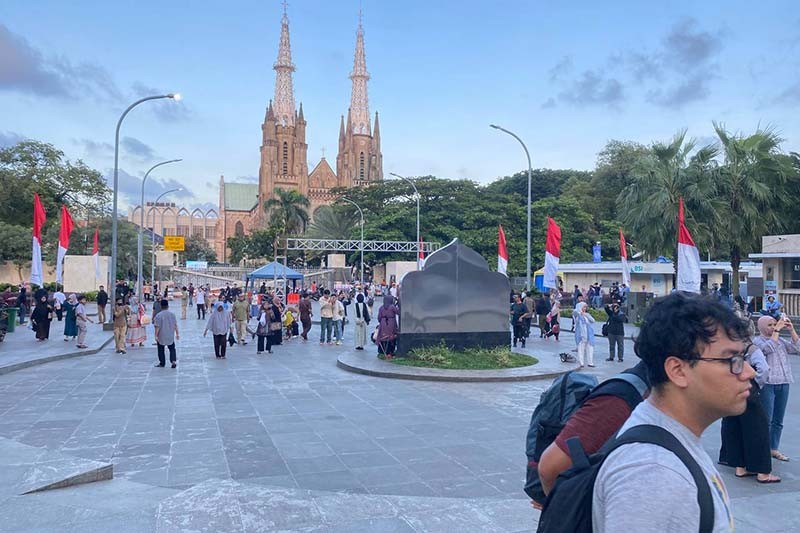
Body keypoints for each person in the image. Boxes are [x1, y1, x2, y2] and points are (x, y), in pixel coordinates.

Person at [592, 292, 753, 532]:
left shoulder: (670, 440)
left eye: (743, 357)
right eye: (731, 360)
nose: (749, 372)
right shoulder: (653, 474)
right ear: (677, 370)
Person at [719, 342, 779, 483]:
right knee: (758, 429)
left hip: (730, 389)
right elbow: (763, 369)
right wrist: (756, 385)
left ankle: (740, 467)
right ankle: (763, 472)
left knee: (735, 428)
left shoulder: (726, 348)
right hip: (747, 390)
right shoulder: (751, 349)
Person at [752, 314, 796, 462]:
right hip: (768, 384)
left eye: (774, 324)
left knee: (778, 420)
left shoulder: (781, 340)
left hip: (784, 382)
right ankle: (762, 449)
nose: (773, 327)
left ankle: (773, 448)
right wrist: (776, 331)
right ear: (762, 327)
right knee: (767, 419)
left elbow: (797, 347)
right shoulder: (757, 342)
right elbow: (768, 349)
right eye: (770, 325)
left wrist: (791, 330)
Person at [153, 299, 179, 368]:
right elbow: (175, 325)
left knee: (161, 349)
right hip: (170, 334)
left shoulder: (158, 315)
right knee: (172, 348)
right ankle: (173, 361)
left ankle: (162, 363)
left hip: (161, 335)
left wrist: (156, 335)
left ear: (161, 306)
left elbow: (157, 327)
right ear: (168, 306)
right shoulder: (172, 315)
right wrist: (177, 334)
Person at [573, 301, 595, 368]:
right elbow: (574, 313)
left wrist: (585, 315)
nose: (585, 308)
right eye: (584, 307)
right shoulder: (577, 315)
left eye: (585, 307)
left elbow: (593, 320)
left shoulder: (587, 314)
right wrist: (579, 312)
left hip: (589, 335)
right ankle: (581, 362)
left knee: (590, 348)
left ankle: (590, 362)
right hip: (581, 335)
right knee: (581, 349)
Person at [376, 294, 399, 359]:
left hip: (383, 323)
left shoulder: (381, 308)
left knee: (383, 336)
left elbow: (379, 318)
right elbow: (398, 312)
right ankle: (390, 351)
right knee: (391, 336)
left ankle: (382, 350)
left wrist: (382, 322)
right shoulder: (392, 307)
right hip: (391, 323)